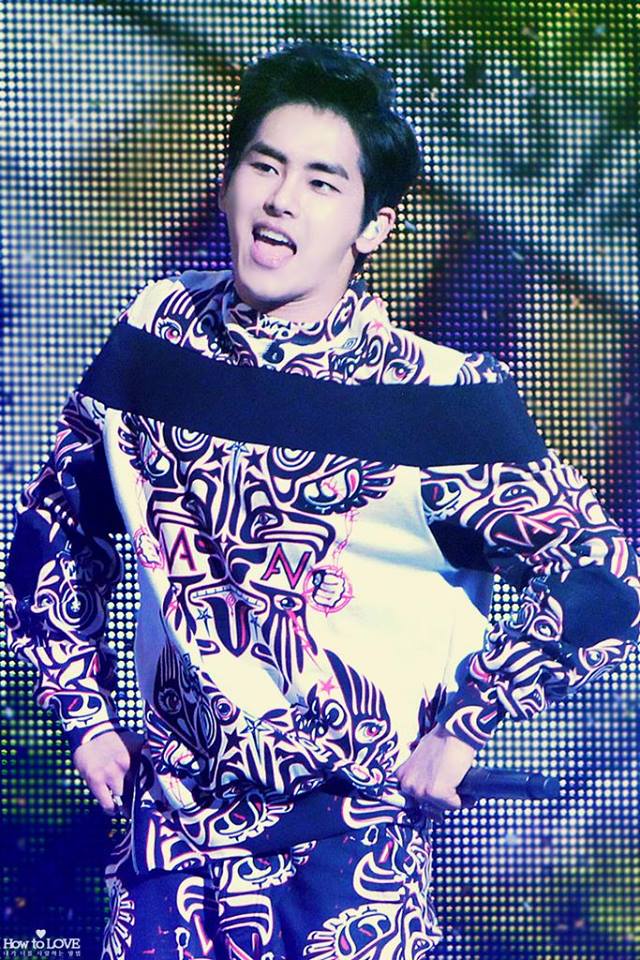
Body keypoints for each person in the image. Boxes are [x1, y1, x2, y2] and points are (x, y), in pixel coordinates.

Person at [4, 39, 639, 960]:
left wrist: (465, 727)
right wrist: (87, 717)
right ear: (229, 181)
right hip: (168, 850)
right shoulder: (157, 334)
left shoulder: (436, 397)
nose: (281, 199)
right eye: (264, 166)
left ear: (372, 227)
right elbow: (56, 534)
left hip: (346, 863)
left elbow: (604, 578)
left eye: (321, 182)